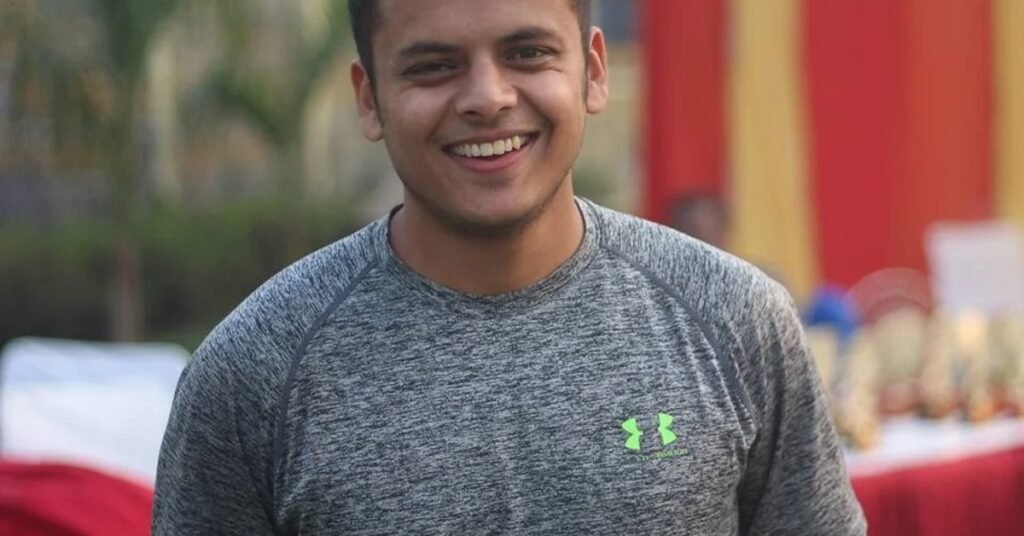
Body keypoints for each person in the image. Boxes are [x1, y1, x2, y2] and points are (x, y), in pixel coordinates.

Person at [152, 0, 866, 534]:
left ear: (591, 70)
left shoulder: (735, 320)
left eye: (527, 54)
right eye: (434, 67)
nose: (489, 97)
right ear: (369, 99)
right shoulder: (254, 374)